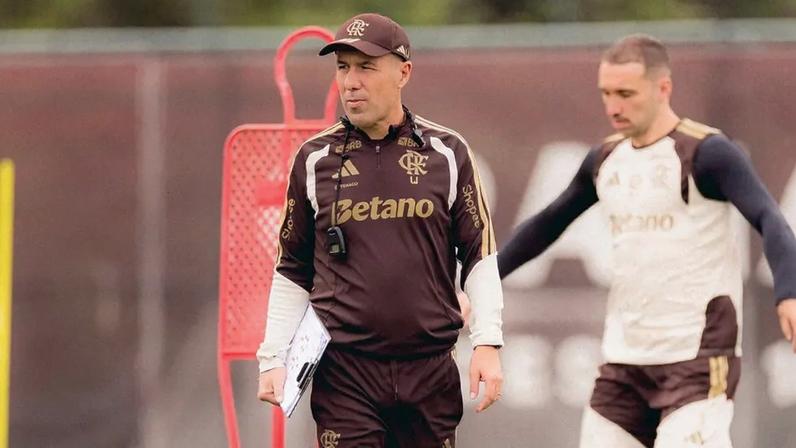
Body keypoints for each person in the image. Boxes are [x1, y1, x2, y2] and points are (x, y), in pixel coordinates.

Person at [498, 34, 796, 448]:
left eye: (625, 93)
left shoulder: (706, 153)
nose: (614, 106)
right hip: (623, 364)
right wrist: (482, 281)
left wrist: (789, 291)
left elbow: (770, 218)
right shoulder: (605, 159)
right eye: (606, 93)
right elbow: (547, 223)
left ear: (663, 88)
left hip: (697, 361)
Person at [256, 13, 504, 447]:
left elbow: (479, 255)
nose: (351, 82)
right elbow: (292, 268)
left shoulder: (448, 152)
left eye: (366, 67)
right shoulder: (313, 159)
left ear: (403, 72)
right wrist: (272, 357)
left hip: (429, 370)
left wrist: (488, 342)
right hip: (345, 372)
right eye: (343, 67)